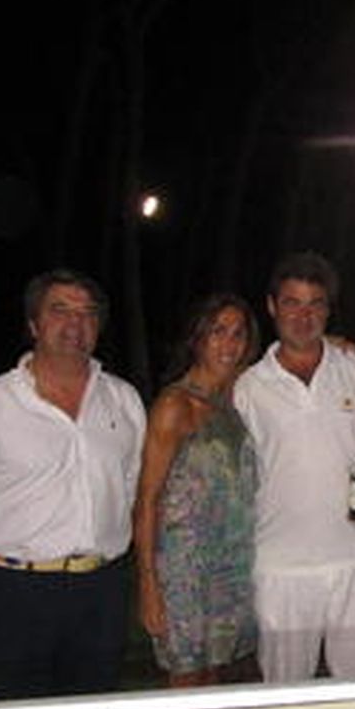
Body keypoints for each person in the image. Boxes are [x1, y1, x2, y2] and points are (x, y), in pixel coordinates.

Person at [0, 269, 145, 699]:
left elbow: (128, 483)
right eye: (59, 310)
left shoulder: (123, 399)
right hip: (14, 596)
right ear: (33, 325)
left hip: (100, 592)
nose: (74, 324)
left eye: (87, 313)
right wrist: (3, 545)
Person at [234, 251, 355, 682]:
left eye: (315, 304)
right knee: (285, 698)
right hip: (279, 565)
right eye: (292, 302)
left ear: (328, 310)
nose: (303, 316)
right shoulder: (248, 386)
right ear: (272, 306)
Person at [132, 293, 260, 687]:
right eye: (218, 331)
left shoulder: (238, 398)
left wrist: (338, 347)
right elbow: (147, 499)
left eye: (238, 334)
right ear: (198, 338)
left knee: (216, 678)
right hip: (184, 572)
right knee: (186, 682)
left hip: (232, 566)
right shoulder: (175, 405)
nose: (229, 343)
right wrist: (149, 584)